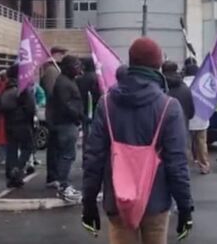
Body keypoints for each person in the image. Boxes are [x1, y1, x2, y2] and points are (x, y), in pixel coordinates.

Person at [82, 37, 193, 243]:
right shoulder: (169, 107)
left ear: (131, 62)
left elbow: (93, 157)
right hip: (156, 202)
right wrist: (185, 207)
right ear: (158, 65)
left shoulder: (106, 104)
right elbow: (177, 163)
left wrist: (88, 201)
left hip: (117, 200)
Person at [49, 55, 84, 201]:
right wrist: (78, 117)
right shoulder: (64, 83)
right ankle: (64, 185)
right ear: (68, 67)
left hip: (67, 123)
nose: (79, 69)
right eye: (76, 65)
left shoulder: (67, 81)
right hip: (66, 123)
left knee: (66, 154)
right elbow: (66, 105)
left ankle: (62, 183)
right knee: (67, 155)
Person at [0, 64, 36, 188]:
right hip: (23, 124)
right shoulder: (22, 89)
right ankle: (17, 169)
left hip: (9, 124)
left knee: (11, 150)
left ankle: (11, 176)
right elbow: (31, 108)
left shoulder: (6, 89)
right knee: (27, 148)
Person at [42, 46, 67, 188]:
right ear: (55, 54)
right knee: (54, 147)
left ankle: (55, 174)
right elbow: (53, 92)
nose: (62, 57)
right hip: (54, 114)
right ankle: (53, 176)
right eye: (61, 54)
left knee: (57, 146)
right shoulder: (52, 71)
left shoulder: (55, 70)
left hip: (55, 113)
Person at [185, 60, 210, 175]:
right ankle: (204, 166)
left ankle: (185, 167)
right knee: (201, 144)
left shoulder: (183, 84)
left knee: (187, 145)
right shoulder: (202, 83)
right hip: (202, 119)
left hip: (187, 120)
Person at [77, 57, 101, 149]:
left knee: (86, 132)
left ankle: (85, 152)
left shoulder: (79, 79)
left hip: (83, 109)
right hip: (95, 109)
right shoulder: (97, 78)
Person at [162, 60, 195, 127]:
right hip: (182, 131)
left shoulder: (158, 88)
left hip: (163, 132)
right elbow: (191, 114)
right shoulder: (185, 89)